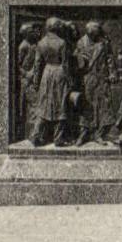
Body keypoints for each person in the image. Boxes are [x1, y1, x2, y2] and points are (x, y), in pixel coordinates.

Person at [30, 17, 74, 146]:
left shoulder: (41, 43)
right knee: (61, 105)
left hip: (46, 73)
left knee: (43, 106)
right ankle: (58, 138)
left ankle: (35, 136)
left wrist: (36, 82)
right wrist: (70, 81)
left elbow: (37, 65)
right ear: (57, 27)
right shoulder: (62, 43)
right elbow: (65, 64)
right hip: (59, 73)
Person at [73, 21, 117, 143]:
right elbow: (75, 59)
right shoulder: (81, 43)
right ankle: (83, 133)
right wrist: (80, 59)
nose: (96, 35)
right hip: (87, 78)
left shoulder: (104, 43)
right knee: (86, 106)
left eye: (97, 32)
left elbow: (110, 59)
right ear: (89, 32)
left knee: (103, 106)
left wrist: (112, 73)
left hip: (102, 78)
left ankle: (99, 134)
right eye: (94, 33)